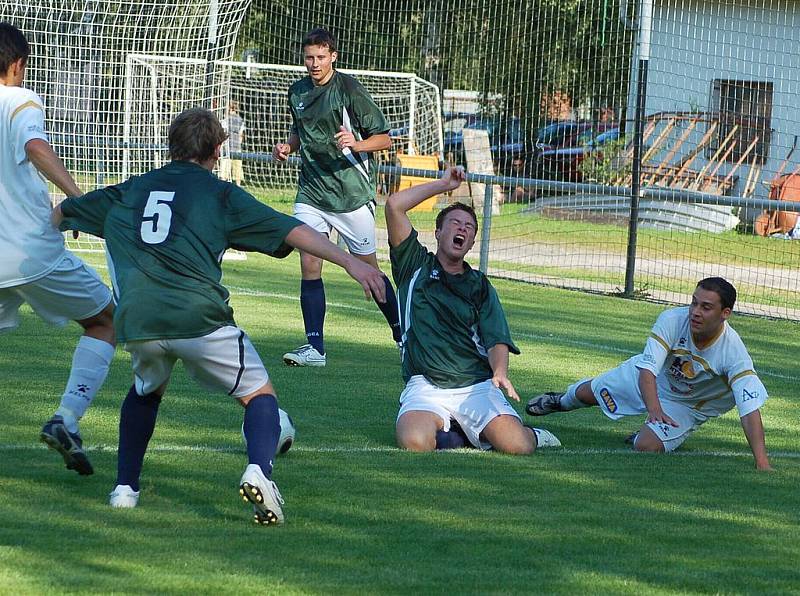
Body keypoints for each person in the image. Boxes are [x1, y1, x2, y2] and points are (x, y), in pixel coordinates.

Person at [53, 107, 387, 524]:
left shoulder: (132, 189)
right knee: (259, 396)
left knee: (145, 391)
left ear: (172, 146)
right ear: (217, 148)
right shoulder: (220, 194)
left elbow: (63, 212)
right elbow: (292, 230)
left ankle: (124, 489)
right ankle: (260, 472)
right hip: (199, 317)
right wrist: (352, 263)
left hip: (139, 321)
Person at [0, 22, 115, 476]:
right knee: (106, 319)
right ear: (18, 65)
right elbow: (34, 146)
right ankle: (66, 419)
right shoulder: (20, 100)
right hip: (29, 252)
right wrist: (79, 200)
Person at [384, 166, 560, 453]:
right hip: (426, 384)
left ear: (472, 242)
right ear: (438, 232)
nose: (462, 229)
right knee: (414, 442)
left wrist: (500, 372)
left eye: (468, 227)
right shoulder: (413, 264)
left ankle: (532, 433)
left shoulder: (479, 285)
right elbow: (394, 206)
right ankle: (459, 432)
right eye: (454, 223)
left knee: (518, 446)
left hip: (476, 385)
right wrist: (443, 184)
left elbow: (496, 338)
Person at [526, 277, 772, 470]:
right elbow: (647, 371)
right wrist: (654, 411)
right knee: (586, 393)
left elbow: (749, 410)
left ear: (725, 313)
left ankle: (642, 434)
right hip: (650, 379)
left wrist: (762, 464)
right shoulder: (672, 320)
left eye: (706, 307)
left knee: (646, 446)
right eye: (694, 302)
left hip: (687, 405)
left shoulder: (734, 353)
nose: (695, 311)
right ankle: (560, 401)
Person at [272, 27, 401, 367]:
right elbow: (300, 129)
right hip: (312, 191)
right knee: (309, 261)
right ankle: (315, 348)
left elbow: (385, 139)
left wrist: (356, 144)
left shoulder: (349, 89)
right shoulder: (296, 91)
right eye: (308, 58)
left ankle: (405, 337)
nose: (314, 64)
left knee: (368, 273)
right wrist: (288, 146)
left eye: (320, 57)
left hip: (351, 195)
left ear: (333, 56)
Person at [220, 100, 245, 186]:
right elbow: (241, 135)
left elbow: (223, 133)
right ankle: (238, 187)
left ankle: (223, 188)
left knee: (224, 174)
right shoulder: (240, 120)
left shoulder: (226, 120)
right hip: (237, 148)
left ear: (229, 108)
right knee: (237, 172)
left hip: (227, 148)